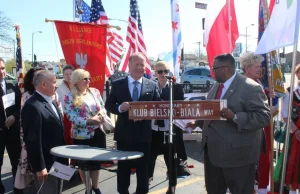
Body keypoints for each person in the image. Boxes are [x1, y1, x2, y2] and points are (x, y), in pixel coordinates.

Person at [201, 54, 270, 194]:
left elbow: (263, 117)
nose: (212, 72)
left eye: (214, 69)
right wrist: (196, 122)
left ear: (225, 69)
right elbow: (213, 111)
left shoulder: (250, 87)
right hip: (213, 154)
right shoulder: (217, 85)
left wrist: (235, 117)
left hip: (238, 157)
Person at [105, 52, 160, 194]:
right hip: (124, 136)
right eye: (137, 64)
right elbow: (109, 105)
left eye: (142, 65)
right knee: (123, 168)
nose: (140, 68)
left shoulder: (152, 85)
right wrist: (119, 108)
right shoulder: (118, 84)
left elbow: (158, 107)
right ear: (129, 65)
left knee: (143, 168)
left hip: (144, 136)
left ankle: (142, 191)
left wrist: (146, 114)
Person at [21, 70, 67, 194]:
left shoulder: (51, 101)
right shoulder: (32, 106)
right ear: (43, 84)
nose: (57, 85)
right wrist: (39, 167)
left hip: (58, 161)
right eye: (54, 82)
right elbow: (32, 141)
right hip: (46, 164)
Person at [148, 61, 190, 194]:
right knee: (150, 158)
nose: (163, 74)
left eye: (165, 71)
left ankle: (172, 188)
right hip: (153, 130)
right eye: (160, 72)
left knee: (171, 161)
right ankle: (147, 181)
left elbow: (181, 107)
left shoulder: (175, 87)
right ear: (155, 73)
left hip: (170, 130)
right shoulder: (150, 86)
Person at [240, 52, 278, 194]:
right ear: (247, 68)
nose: (259, 69)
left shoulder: (258, 82)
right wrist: (269, 108)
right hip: (255, 128)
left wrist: (266, 93)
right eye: (256, 66)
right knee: (257, 159)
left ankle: (260, 187)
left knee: (265, 157)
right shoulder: (245, 83)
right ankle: (254, 188)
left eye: (260, 66)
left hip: (264, 126)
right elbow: (248, 108)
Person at [64, 69, 106, 194]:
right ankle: (88, 188)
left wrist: (100, 116)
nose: (89, 81)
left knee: (96, 163)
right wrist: (88, 120)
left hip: (97, 132)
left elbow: (102, 107)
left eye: (89, 78)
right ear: (77, 81)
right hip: (81, 135)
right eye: (85, 79)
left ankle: (96, 187)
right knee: (83, 164)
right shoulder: (69, 96)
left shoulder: (95, 92)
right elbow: (70, 116)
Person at [14, 67, 43, 191]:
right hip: (31, 134)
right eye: (35, 77)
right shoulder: (26, 96)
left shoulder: (52, 94)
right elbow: (23, 118)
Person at [0, 58, 22, 194]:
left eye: (2, 68)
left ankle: (18, 187)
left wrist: (14, 116)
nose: (1, 72)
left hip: (13, 130)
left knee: (16, 161)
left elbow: (20, 105)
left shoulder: (12, 84)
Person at [278, 64, 300, 194]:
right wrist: (296, 131)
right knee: (293, 164)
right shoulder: (289, 91)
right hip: (294, 135)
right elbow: (284, 114)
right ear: (297, 74)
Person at [57, 65, 74, 145]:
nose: (69, 76)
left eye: (71, 74)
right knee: (68, 136)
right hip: (66, 115)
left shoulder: (77, 85)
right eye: (66, 74)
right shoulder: (59, 88)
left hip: (79, 114)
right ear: (63, 75)